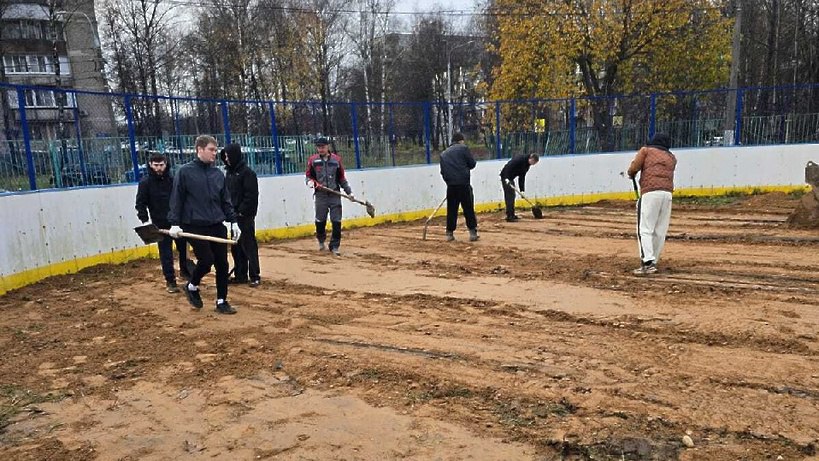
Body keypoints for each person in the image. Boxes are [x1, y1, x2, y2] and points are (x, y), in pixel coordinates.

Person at [168, 135, 240, 314]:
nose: (215, 154)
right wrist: (175, 223)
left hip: (216, 223)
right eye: (212, 150)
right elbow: (177, 199)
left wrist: (233, 221)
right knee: (206, 261)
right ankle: (192, 286)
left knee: (222, 264)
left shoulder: (218, 174)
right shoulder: (185, 172)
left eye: (216, 150)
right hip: (195, 224)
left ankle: (221, 301)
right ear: (199, 149)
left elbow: (225, 201)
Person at [135, 153, 191, 293]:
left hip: (177, 223)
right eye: (156, 165)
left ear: (166, 164)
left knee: (184, 250)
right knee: (166, 254)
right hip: (160, 226)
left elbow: (182, 200)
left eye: (161, 165)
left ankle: (187, 273)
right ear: (150, 165)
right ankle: (170, 281)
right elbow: (140, 204)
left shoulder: (173, 181)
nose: (159, 168)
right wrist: (145, 221)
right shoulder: (145, 183)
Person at [627, 133, 677, 275]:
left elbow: (634, 167)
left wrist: (631, 173)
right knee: (660, 230)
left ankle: (647, 262)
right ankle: (653, 260)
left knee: (645, 228)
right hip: (667, 194)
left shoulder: (646, 151)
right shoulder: (671, 157)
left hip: (650, 193)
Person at [305, 137, 354, 256]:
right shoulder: (313, 160)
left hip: (334, 194)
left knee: (336, 220)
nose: (321, 149)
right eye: (318, 147)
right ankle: (321, 240)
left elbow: (341, 178)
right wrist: (310, 182)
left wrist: (349, 192)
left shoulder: (336, 160)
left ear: (328, 147)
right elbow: (308, 176)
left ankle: (335, 246)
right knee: (320, 220)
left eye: (323, 147)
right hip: (321, 195)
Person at [220, 143, 261, 287]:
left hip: (245, 216)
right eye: (224, 156)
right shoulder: (229, 173)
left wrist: (241, 211)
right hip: (234, 217)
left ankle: (255, 275)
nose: (226, 158)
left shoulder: (247, 173)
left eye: (228, 155)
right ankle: (240, 274)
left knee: (248, 245)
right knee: (236, 247)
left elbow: (251, 196)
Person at [439, 132, 479, 241]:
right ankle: (472, 232)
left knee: (452, 209)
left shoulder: (443, 154)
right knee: (468, 208)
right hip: (463, 184)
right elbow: (472, 164)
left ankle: (449, 233)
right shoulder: (463, 148)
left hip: (451, 186)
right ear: (461, 140)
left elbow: (443, 172)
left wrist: (449, 182)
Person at [500, 153, 539, 222]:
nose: (533, 164)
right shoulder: (519, 159)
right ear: (531, 158)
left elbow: (522, 177)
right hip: (505, 177)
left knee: (512, 196)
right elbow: (509, 166)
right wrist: (506, 178)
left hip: (510, 178)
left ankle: (512, 214)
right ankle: (509, 216)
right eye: (533, 162)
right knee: (510, 196)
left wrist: (522, 190)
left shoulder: (527, 166)